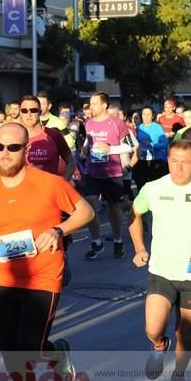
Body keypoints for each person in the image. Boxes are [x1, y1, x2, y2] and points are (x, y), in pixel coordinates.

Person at [0, 123, 95, 381]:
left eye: (13, 147)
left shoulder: (48, 183)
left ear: (26, 150)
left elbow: (85, 211)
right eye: (0, 147)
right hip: (5, 277)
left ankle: (55, 355)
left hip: (43, 276)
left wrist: (59, 230)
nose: (5, 153)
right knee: (9, 350)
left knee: (28, 347)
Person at [129, 140, 191, 381]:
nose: (178, 168)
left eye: (186, 162)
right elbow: (134, 214)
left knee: (186, 332)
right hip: (162, 271)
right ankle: (159, 345)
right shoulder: (154, 188)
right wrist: (138, 247)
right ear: (167, 159)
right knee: (153, 328)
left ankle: (179, 376)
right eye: (173, 161)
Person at [81, 91, 133, 259]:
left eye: (95, 103)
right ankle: (96, 242)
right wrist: (85, 149)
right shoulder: (88, 123)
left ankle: (118, 240)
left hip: (111, 172)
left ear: (104, 105)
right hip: (91, 171)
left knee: (114, 209)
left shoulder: (117, 122)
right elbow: (89, 142)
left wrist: (110, 149)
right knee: (89, 207)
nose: (91, 107)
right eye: (90, 103)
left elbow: (130, 146)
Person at [134, 106, 169, 192]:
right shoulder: (138, 128)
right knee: (141, 186)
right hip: (142, 160)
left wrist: (152, 145)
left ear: (153, 116)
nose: (146, 116)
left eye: (148, 114)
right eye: (144, 114)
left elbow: (165, 143)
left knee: (156, 186)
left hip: (155, 160)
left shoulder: (157, 127)